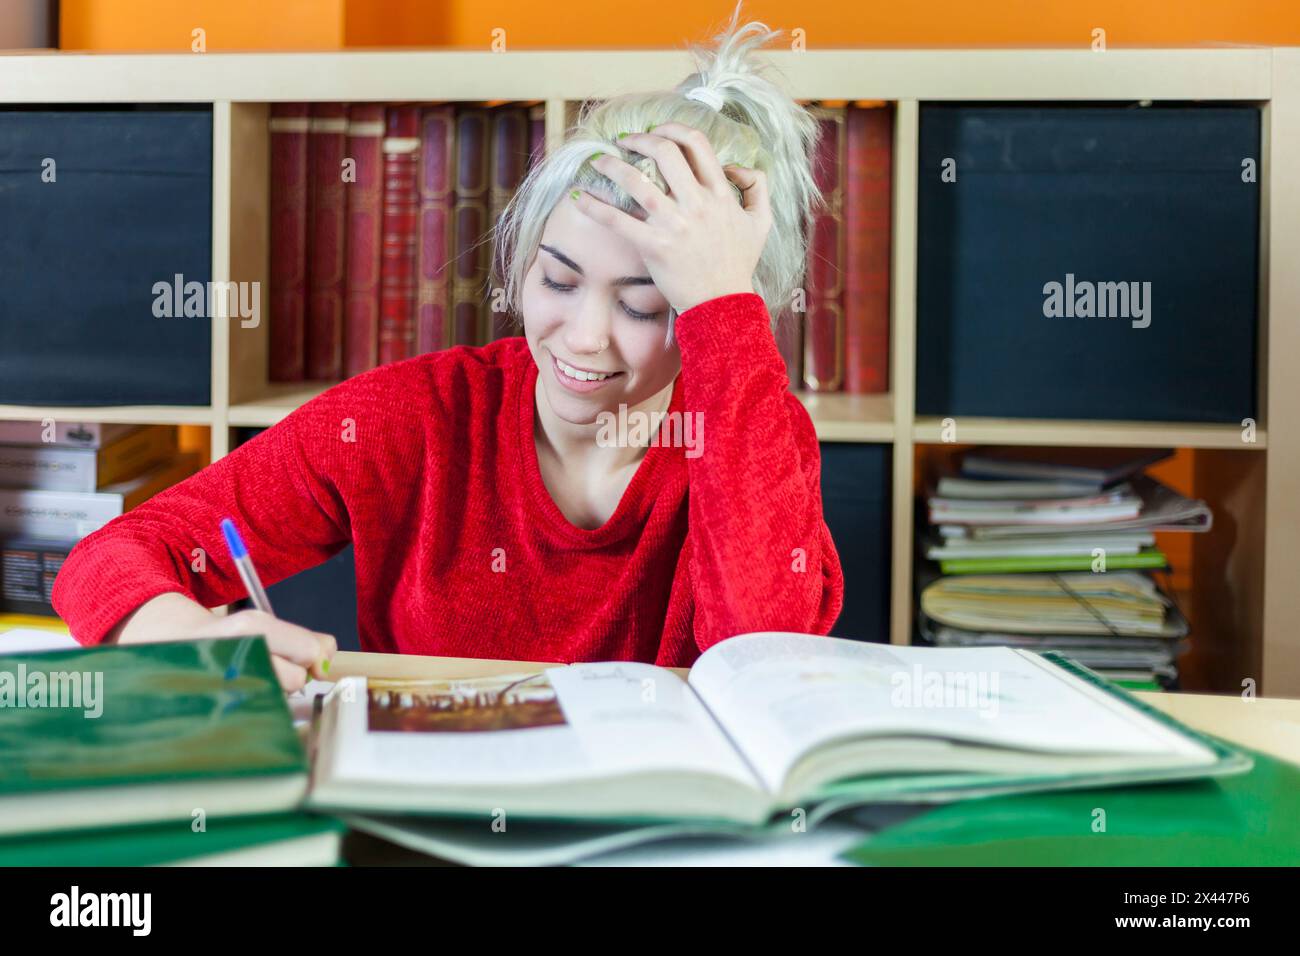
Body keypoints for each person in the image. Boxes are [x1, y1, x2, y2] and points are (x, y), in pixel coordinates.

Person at [51, 7, 845, 692]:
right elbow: (112, 554)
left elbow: (765, 662)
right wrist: (177, 635)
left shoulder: (753, 440)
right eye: (559, 281)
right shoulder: (413, 417)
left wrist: (723, 310)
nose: (583, 338)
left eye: (644, 304)